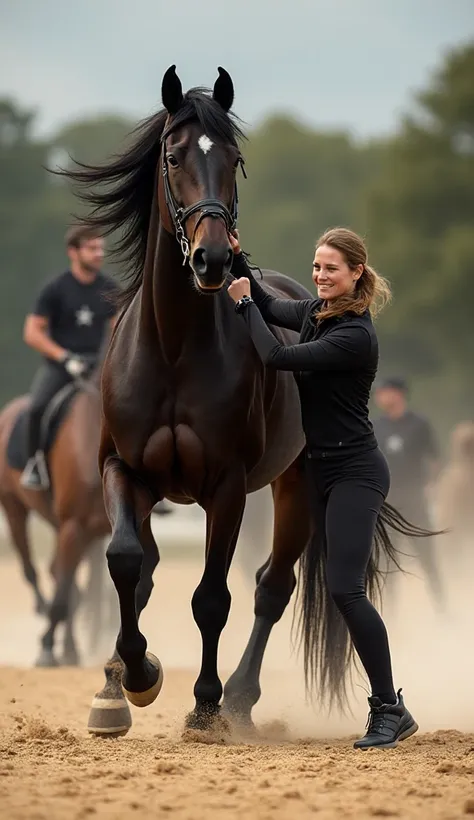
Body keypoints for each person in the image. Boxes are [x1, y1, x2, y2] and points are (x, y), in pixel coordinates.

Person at [227, 226, 418, 750]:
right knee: (333, 583)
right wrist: (240, 260)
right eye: (316, 267)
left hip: (355, 472)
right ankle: (388, 708)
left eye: (331, 268)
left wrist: (243, 308)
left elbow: (276, 356)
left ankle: (389, 708)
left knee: (344, 589)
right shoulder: (317, 314)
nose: (320, 275)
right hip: (317, 469)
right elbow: (268, 302)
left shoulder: (354, 334)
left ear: (357, 272)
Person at [21, 226, 118, 491]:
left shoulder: (110, 289)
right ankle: (35, 464)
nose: (100, 253)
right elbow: (32, 332)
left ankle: (146, 477)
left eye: (101, 248)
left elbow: (117, 328)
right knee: (37, 407)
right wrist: (65, 358)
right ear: (73, 252)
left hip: (99, 368)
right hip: (62, 367)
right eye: (92, 248)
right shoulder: (56, 288)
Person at [373, 377, 442, 603]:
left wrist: (431, 485)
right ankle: (388, 612)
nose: (379, 397)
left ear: (398, 393)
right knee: (386, 560)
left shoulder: (419, 424)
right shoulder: (376, 426)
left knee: (427, 556)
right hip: (387, 502)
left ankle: (442, 606)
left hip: (415, 500)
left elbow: (434, 459)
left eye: (384, 392)